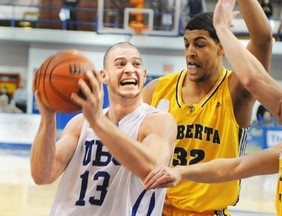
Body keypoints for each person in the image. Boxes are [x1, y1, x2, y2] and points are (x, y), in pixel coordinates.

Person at [143, 0, 282, 215]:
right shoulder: (157, 90)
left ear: (221, 47)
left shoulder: (235, 90)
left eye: (200, 44)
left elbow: (263, 40)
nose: (190, 52)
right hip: (156, 209)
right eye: (186, 44)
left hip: (209, 211)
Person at [30, 42, 177, 215]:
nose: (130, 69)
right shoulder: (80, 124)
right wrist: (48, 119)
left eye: (136, 64)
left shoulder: (158, 121)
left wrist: (98, 121)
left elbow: (152, 169)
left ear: (144, 75)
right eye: (120, 64)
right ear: (103, 76)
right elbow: (42, 175)